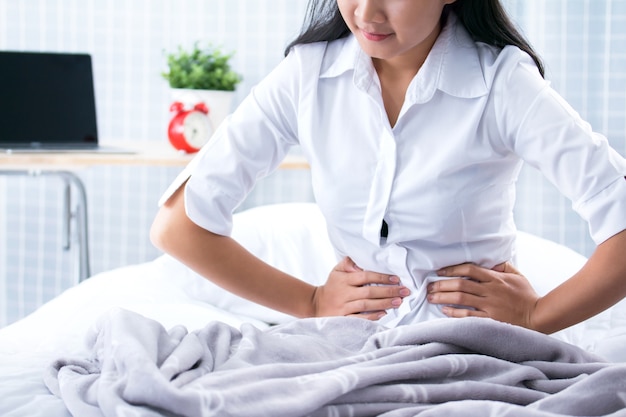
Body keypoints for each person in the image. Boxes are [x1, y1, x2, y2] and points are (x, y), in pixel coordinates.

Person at [151, 0, 626, 334]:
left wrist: (535, 317)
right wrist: (309, 302)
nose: (366, 12)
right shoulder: (307, 74)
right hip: (350, 343)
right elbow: (177, 226)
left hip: (473, 346)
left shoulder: (502, 82)